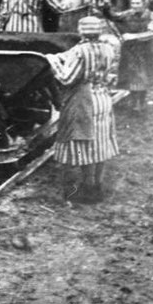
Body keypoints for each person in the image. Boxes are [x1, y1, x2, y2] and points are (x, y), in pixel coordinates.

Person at [44, 16, 120, 203]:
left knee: (79, 143)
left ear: (81, 32)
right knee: (100, 143)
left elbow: (66, 78)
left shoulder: (81, 51)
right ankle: (95, 186)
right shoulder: (108, 48)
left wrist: (52, 61)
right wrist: (61, 56)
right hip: (102, 98)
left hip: (83, 101)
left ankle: (77, 191)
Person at [102, 0, 153, 112]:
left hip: (146, 50)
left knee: (143, 76)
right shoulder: (128, 14)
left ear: (144, 4)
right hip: (130, 50)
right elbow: (114, 17)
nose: (134, 6)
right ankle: (134, 103)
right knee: (132, 76)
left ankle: (141, 103)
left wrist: (133, 36)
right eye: (133, 3)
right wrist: (106, 8)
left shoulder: (152, 16)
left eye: (138, 3)